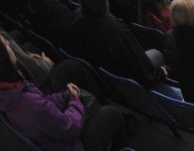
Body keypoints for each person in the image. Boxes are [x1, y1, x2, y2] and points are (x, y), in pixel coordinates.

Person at [0, 36, 129, 151]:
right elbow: (70, 129)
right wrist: (75, 101)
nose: (9, 44)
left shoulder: (11, 86)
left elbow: (43, 102)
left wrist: (65, 96)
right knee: (112, 114)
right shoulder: (29, 103)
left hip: (50, 133)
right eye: (6, 44)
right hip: (69, 144)